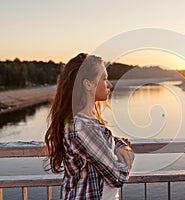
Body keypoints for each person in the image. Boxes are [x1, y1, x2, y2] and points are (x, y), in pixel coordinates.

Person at [44, 53, 134, 199]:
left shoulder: (88, 122)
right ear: (88, 84)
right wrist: (129, 156)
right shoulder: (81, 128)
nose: (109, 84)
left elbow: (104, 139)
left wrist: (120, 145)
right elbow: (117, 176)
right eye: (104, 79)